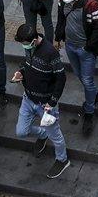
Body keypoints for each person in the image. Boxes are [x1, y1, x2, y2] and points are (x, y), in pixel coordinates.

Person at [11, 24, 69, 177]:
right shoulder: (29, 47)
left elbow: (61, 78)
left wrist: (52, 101)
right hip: (28, 98)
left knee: (55, 135)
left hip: (46, 104)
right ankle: (42, 134)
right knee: (21, 132)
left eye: (24, 43)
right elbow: (27, 64)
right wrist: (21, 72)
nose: (23, 46)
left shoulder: (50, 53)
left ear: (34, 40)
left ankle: (62, 159)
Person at [54, 0, 98, 135]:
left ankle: (89, 111)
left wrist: (88, 47)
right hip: (70, 46)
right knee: (79, 75)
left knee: (87, 81)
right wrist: (57, 37)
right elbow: (61, 18)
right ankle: (95, 94)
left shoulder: (91, 4)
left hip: (85, 50)